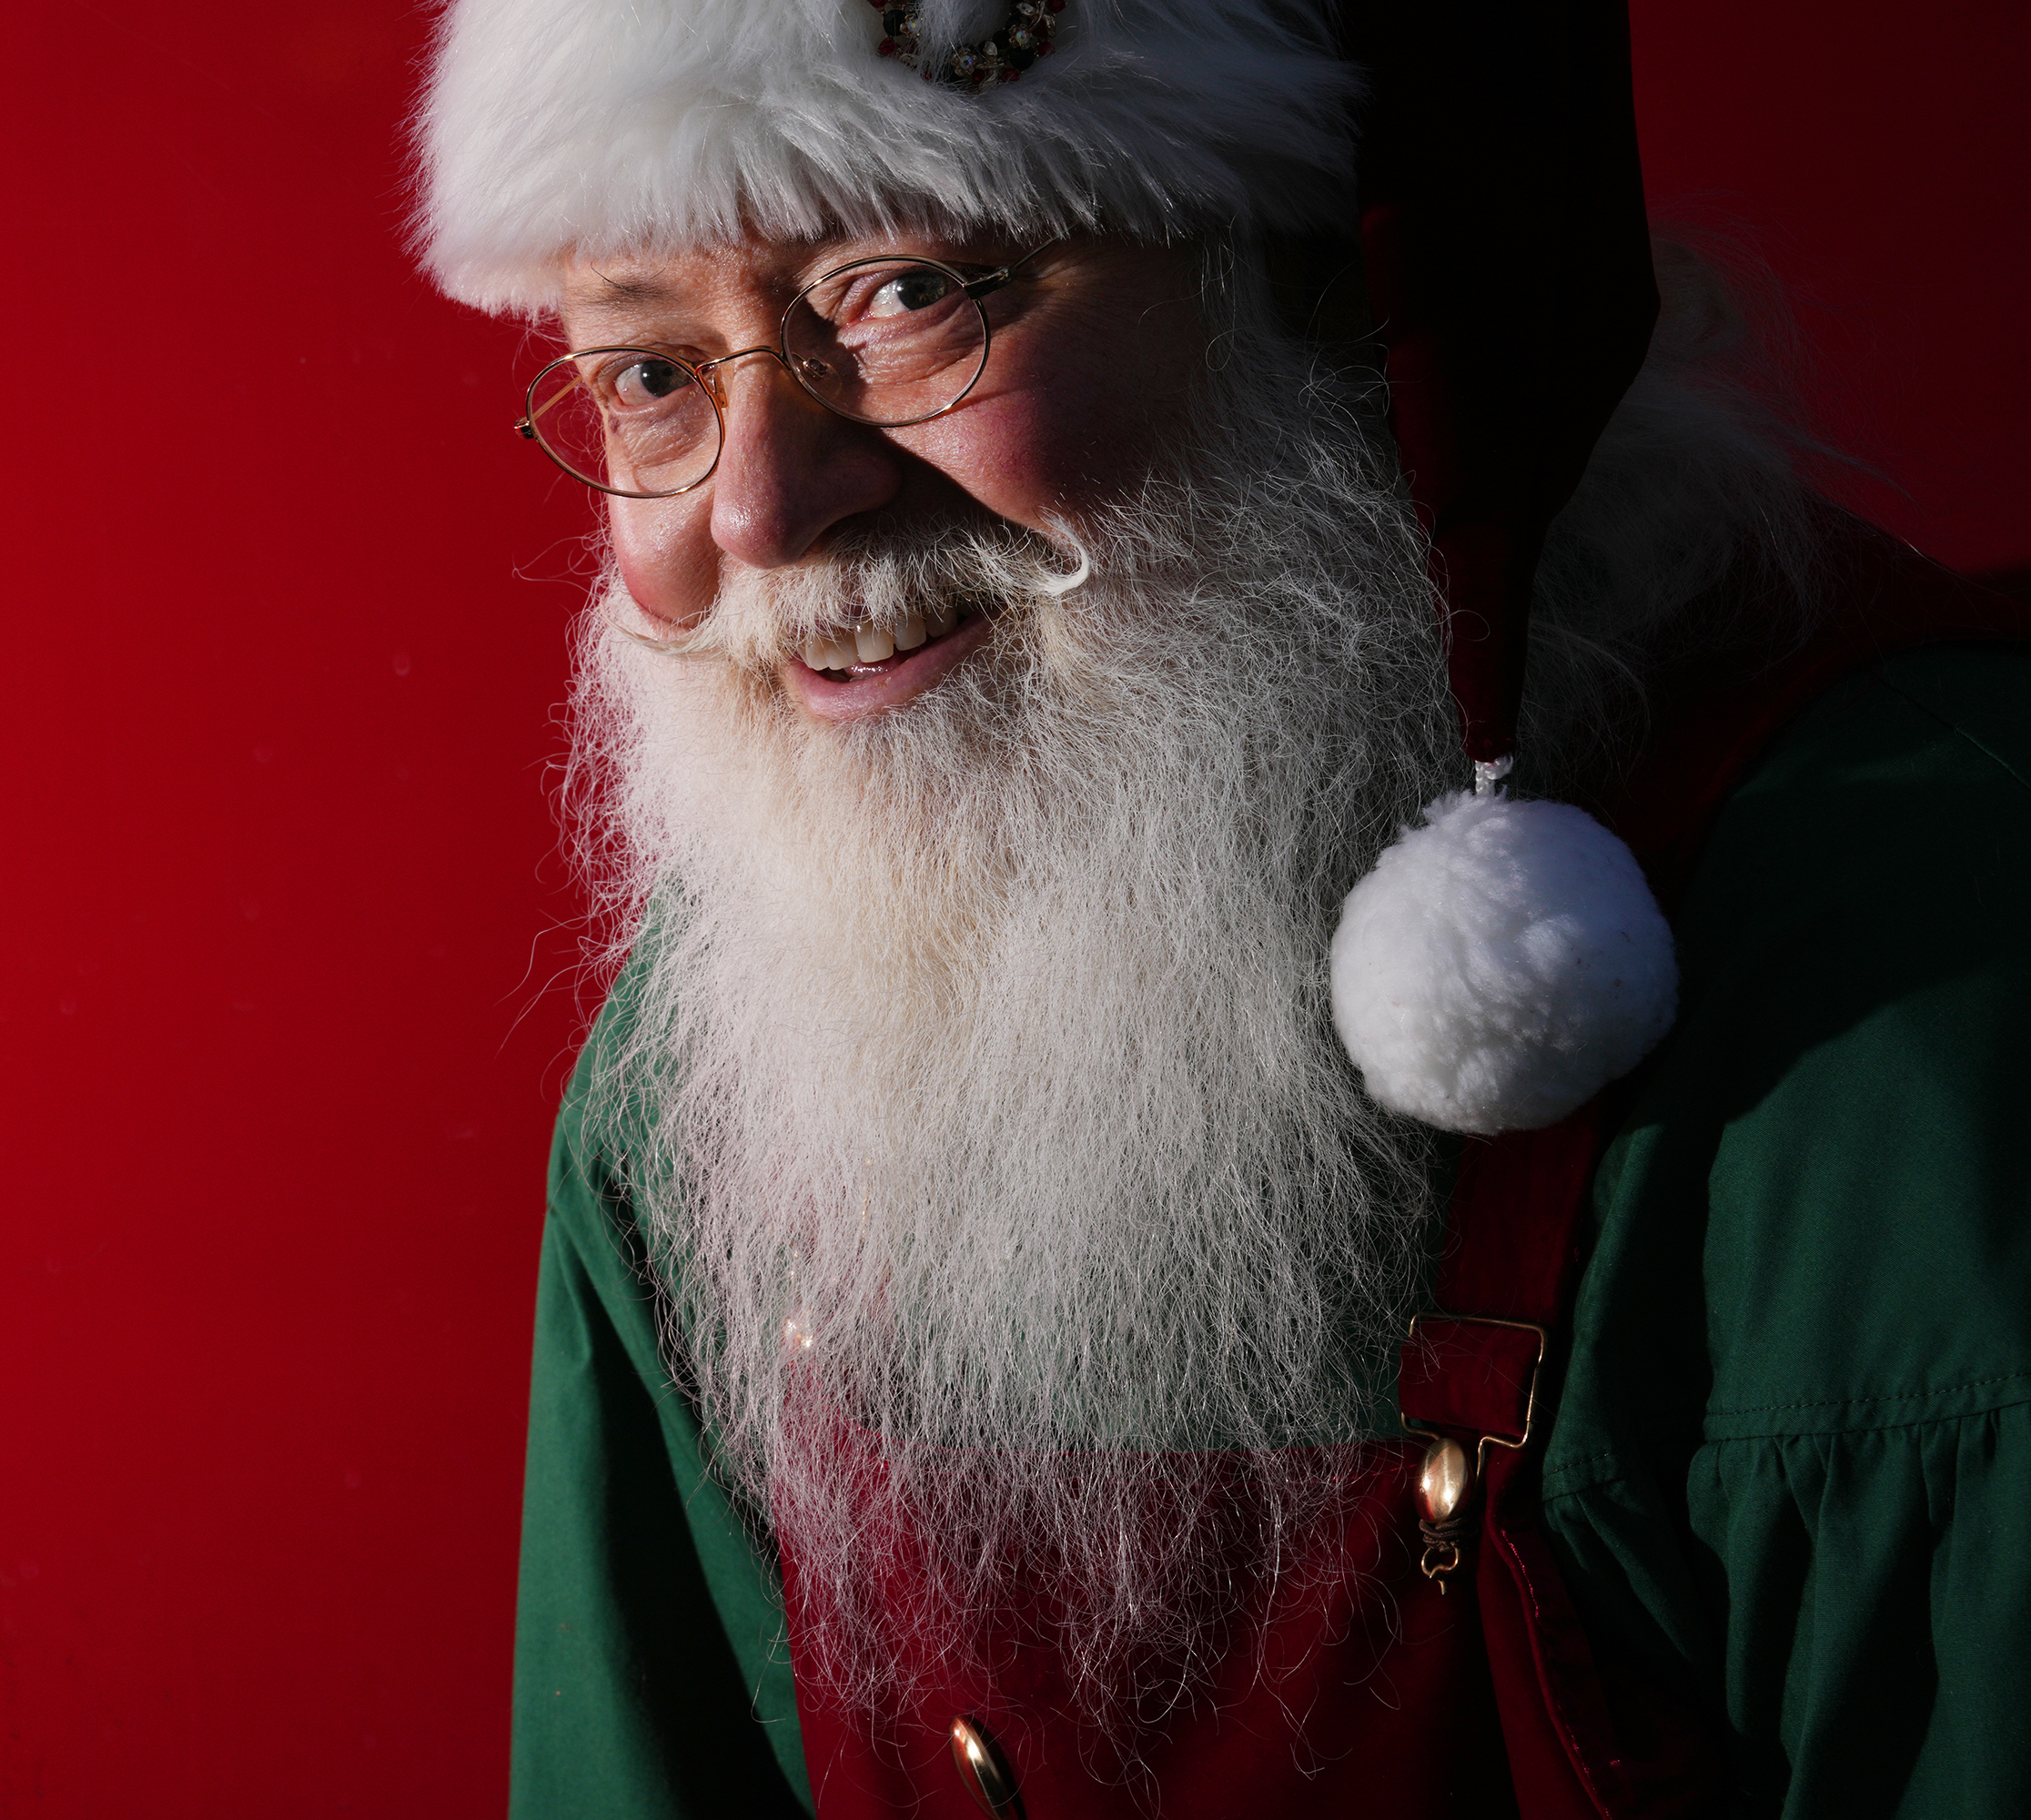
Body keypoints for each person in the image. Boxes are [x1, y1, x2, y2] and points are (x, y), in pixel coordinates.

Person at [412, 1, 2031, 1813]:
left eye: (913, 285)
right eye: (649, 370)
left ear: (1348, 299)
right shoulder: (705, 1104)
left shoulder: (1929, 998)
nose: (767, 508)